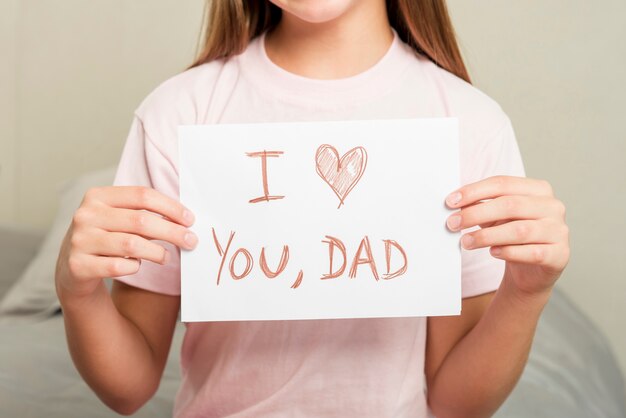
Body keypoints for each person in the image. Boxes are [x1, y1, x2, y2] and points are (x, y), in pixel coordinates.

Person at [54, 0, 570, 417]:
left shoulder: (469, 123)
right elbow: (129, 388)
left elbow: (457, 403)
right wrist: (78, 295)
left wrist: (526, 295)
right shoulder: (179, 114)